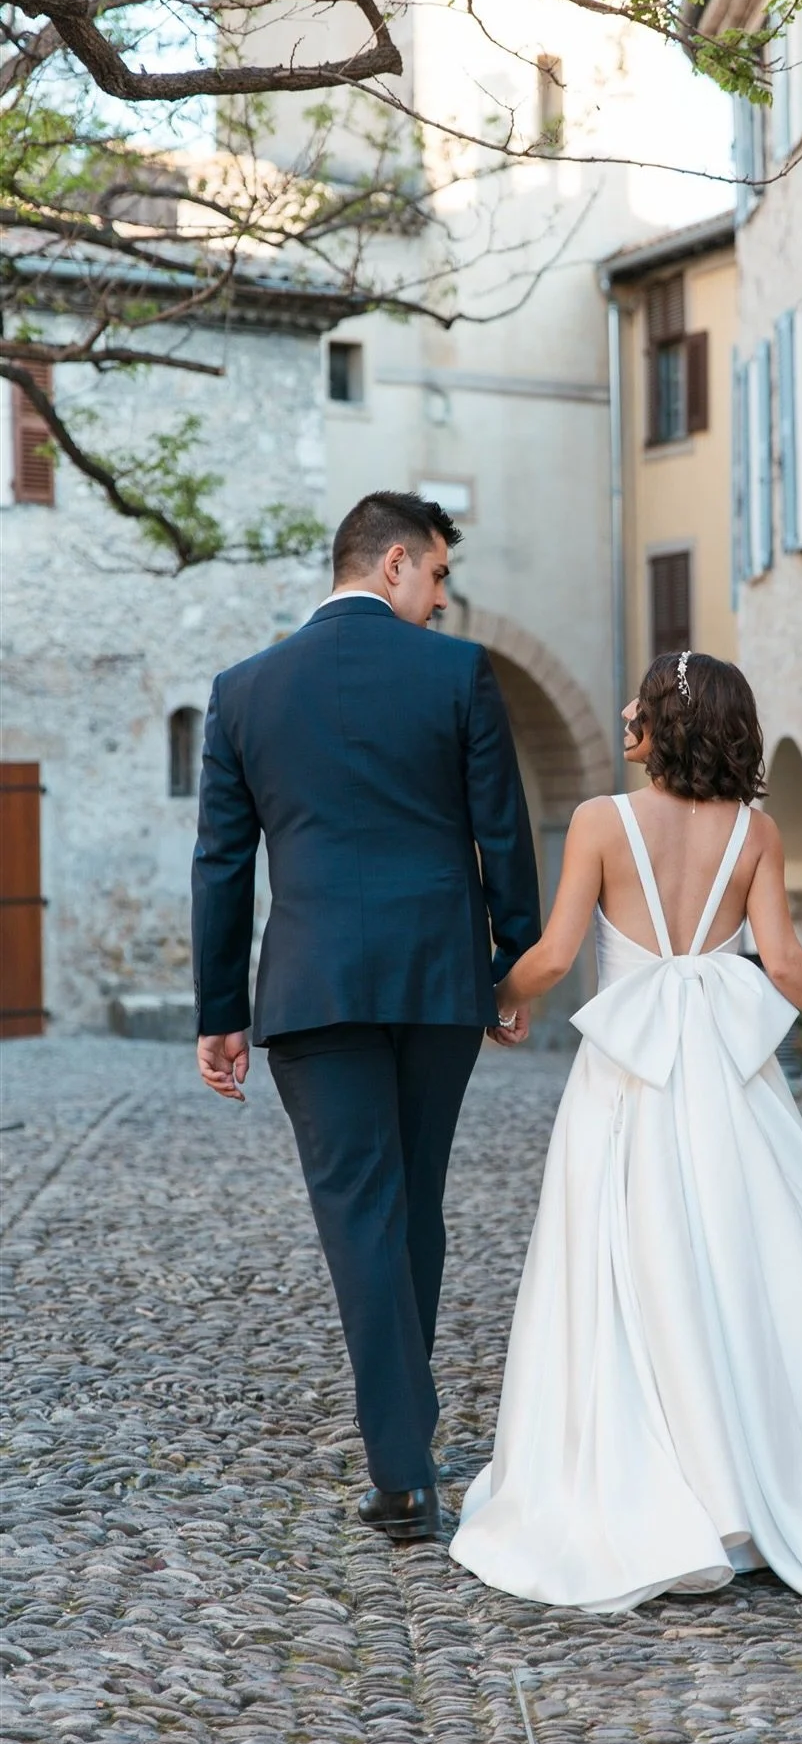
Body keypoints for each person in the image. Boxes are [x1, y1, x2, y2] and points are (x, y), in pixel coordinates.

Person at [450, 651, 802, 1611]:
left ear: (665, 722)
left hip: (626, 1085)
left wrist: (492, 998)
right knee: (748, 1268)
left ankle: (665, 1492)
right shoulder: (755, 832)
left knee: (631, 1273)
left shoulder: (601, 821)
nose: (623, 709)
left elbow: (554, 956)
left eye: (639, 701)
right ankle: (765, 1494)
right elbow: (786, 963)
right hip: (730, 1090)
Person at [192, 491, 540, 1543]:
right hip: (437, 978)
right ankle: (404, 1443)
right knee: (413, 1201)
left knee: (361, 1213)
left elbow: (222, 862)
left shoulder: (243, 691)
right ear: (392, 562)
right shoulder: (458, 674)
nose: (442, 598)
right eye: (436, 574)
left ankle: (401, 1468)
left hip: (312, 987)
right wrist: (511, 964)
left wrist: (221, 1010)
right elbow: (503, 830)